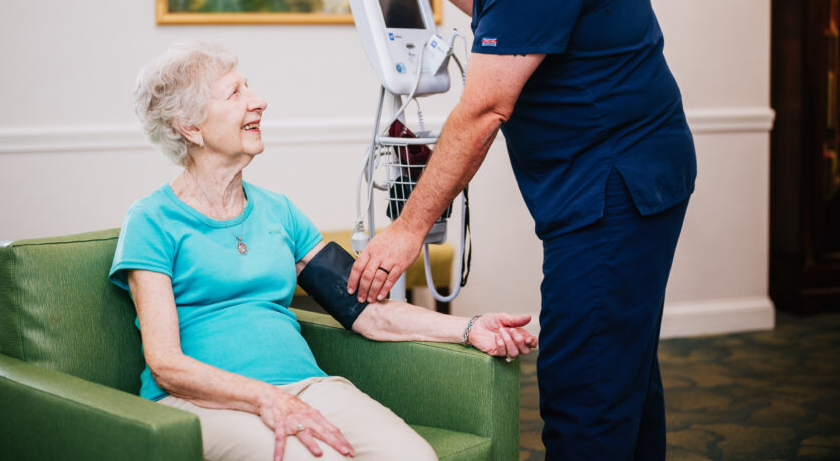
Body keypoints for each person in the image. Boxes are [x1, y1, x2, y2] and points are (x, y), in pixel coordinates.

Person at [346, 0, 696, 461]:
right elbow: (532, 18)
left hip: (613, 191)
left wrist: (407, 228)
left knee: (584, 388)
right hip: (638, 172)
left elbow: (483, 108)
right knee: (621, 373)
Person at [109, 40, 537, 461]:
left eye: (249, 87)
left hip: (307, 386)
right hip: (202, 403)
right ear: (190, 126)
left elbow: (368, 311)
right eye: (235, 93)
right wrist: (265, 398)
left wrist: (470, 327)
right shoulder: (151, 220)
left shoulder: (279, 212)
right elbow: (165, 363)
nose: (259, 101)